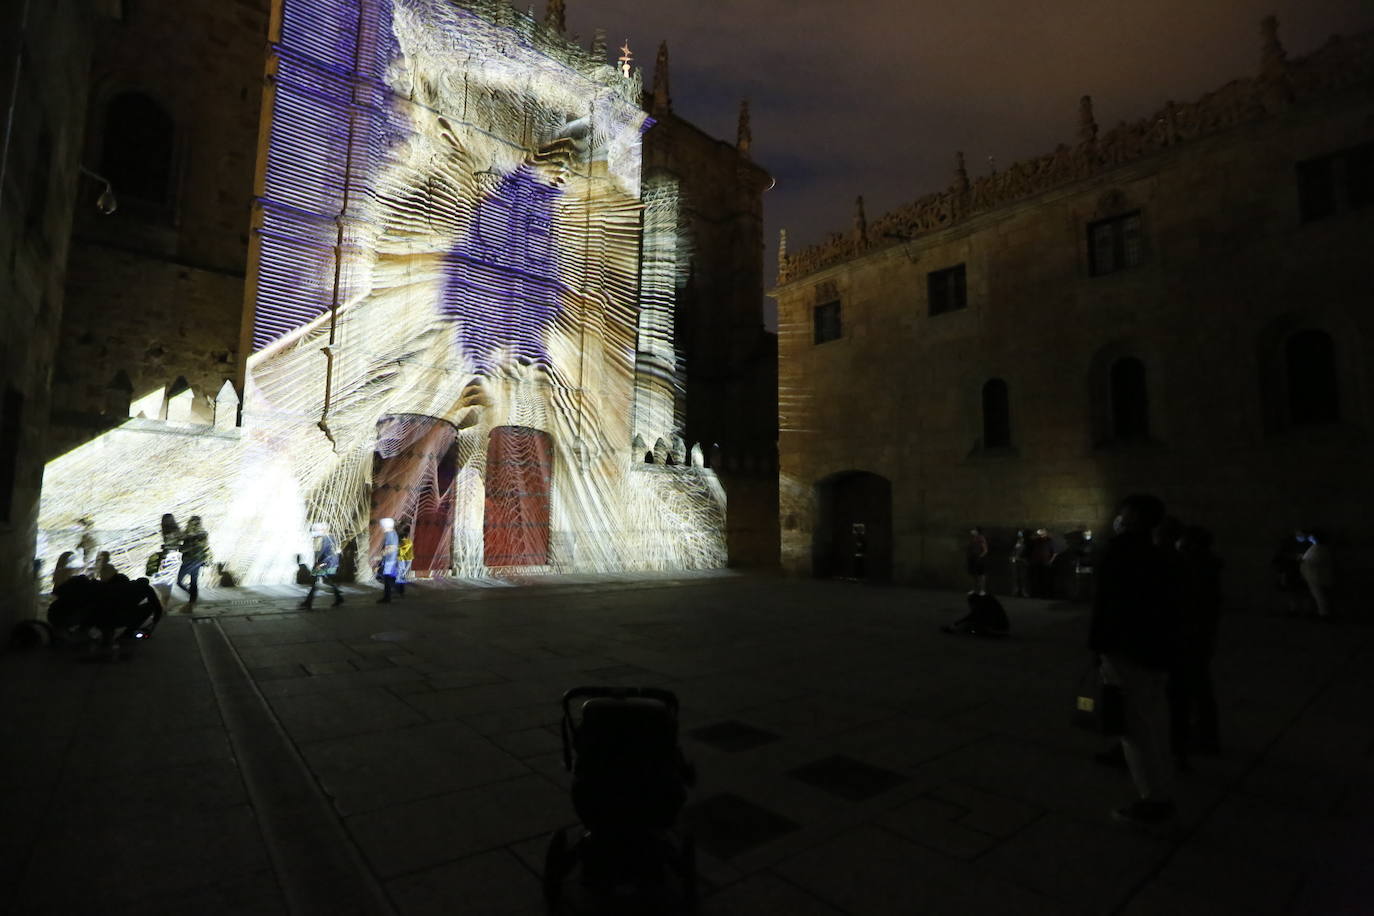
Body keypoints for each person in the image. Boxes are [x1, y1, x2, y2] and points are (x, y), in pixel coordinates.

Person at [1089, 493, 1181, 827]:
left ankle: (1154, 800)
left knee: (1135, 727)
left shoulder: (1120, 553)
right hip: (1158, 651)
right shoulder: (1162, 555)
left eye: (1122, 515)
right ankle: (1163, 787)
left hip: (1128, 650)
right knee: (1155, 721)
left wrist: (1098, 647)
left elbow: (1107, 606)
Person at [1170, 525, 1222, 765]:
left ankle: (1188, 742)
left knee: (1186, 692)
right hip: (1199, 639)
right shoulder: (1208, 567)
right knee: (1200, 689)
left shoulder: (1193, 570)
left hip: (1188, 639)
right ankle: (1205, 736)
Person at [300, 522, 344, 609]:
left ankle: (308, 602)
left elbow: (327, 554)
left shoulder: (325, 539)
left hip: (326, 564)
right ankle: (339, 598)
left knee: (315, 581)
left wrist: (320, 564)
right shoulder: (331, 537)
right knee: (327, 580)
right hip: (330, 563)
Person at [1298, 529, 1335, 619]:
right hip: (1313, 576)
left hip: (1316, 576)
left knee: (1319, 596)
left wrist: (1302, 560)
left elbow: (1315, 561)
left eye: (1312, 536)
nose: (1310, 538)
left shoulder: (1319, 548)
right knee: (1318, 596)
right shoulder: (1316, 547)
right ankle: (1321, 613)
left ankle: (1324, 614)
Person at [177, 516, 211, 606]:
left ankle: (191, 596)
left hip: (190, 560)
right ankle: (193, 599)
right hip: (199, 561)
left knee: (179, 581)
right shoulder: (203, 534)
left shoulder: (190, 536)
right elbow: (206, 547)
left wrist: (181, 547)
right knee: (193, 582)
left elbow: (185, 549)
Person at [376, 517, 400, 603]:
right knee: (388, 578)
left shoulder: (390, 533)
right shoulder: (393, 533)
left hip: (389, 560)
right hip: (391, 559)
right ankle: (388, 596)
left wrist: (380, 555)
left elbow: (390, 548)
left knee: (387, 579)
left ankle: (387, 598)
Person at [1028, 528, 1057, 598]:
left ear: (1046, 533)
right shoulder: (1036, 541)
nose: (1042, 534)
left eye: (1043, 533)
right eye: (1040, 533)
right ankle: (1038, 594)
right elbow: (1031, 546)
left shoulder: (1049, 541)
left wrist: (1050, 561)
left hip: (1046, 563)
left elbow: (1054, 553)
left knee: (1046, 579)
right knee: (1037, 579)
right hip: (1037, 563)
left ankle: (1046, 594)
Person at [966, 527, 989, 595]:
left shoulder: (981, 538)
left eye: (974, 530)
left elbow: (985, 550)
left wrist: (980, 557)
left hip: (979, 559)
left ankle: (982, 590)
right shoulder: (973, 539)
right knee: (973, 575)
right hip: (973, 559)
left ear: (977, 531)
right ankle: (974, 590)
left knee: (981, 575)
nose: (972, 531)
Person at [1010, 529, 1029, 598]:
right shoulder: (1015, 543)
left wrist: (1021, 559)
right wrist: (1013, 557)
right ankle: (1016, 591)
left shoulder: (1026, 543)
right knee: (1015, 577)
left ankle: (1024, 592)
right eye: (1019, 534)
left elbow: (1027, 554)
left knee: (1023, 577)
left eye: (1021, 534)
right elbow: (1013, 551)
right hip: (1015, 562)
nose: (1020, 536)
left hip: (1023, 562)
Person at [396, 522, 414, 595]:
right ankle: (401, 589)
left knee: (401, 573)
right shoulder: (408, 541)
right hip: (407, 559)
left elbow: (401, 551)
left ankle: (400, 589)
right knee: (402, 573)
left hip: (404, 559)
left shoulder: (406, 542)